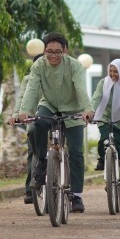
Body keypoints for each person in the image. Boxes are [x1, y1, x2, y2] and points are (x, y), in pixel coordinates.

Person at [16, 33, 94, 213]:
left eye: (58, 52)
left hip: (73, 109)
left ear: (65, 51)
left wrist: (87, 109)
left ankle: (76, 195)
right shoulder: (38, 65)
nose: (53, 56)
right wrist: (24, 111)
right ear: (44, 51)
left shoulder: (75, 66)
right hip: (49, 105)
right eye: (49, 51)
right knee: (37, 125)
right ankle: (42, 161)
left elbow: (81, 89)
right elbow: (32, 89)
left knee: (75, 151)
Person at [90, 59, 120, 203]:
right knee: (103, 141)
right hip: (105, 119)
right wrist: (91, 111)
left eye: (116, 71)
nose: (112, 74)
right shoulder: (103, 83)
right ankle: (103, 160)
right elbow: (96, 98)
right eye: (111, 71)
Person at [10, 53, 42, 205]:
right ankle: (30, 189)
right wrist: (16, 114)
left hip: (53, 120)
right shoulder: (28, 79)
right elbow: (22, 97)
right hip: (34, 119)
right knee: (33, 153)